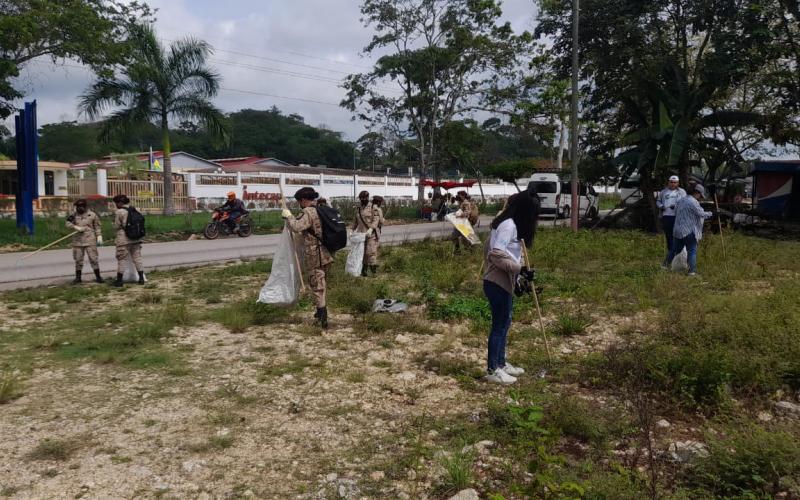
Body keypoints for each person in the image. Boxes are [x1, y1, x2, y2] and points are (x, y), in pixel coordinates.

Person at [482, 191, 538, 384]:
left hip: (505, 282)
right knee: (499, 325)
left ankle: (501, 363)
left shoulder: (509, 224)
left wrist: (520, 273)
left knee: (505, 323)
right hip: (497, 282)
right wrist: (519, 269)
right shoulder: (508, 226)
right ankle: (492, 369)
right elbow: (495, 254)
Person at [282, 187, 333, 328]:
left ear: (304, 200)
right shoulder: (322, 209)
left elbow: (297, 227)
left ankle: (323, 320)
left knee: (317, 287)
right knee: (321, 285)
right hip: (326, 254)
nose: (299, 203)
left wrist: (288, 216)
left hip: (315, 255)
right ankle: (319, 312)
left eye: (299, 201)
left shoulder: (309, 212)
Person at [666, 184, 713, 276]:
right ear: (697, 193)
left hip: (677, 230)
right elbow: (701, 214)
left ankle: (664, 266)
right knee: (692, 251)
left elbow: (675, 210)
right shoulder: (693, 202)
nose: (700, 197)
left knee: (673, 249)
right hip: (688, 231)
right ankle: (692, 271)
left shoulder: (681, 200)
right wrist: (713, 213)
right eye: (700, 195)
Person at [66, 199, 104, 284]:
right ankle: (78, 278)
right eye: (78, 207)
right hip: (78, 241)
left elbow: (97, 226)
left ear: (85, 206)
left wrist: (99, 236)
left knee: (93, 259)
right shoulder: (73, 215)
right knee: (78, 260)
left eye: (81, 206)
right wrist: (75, 227)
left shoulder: (92, 215)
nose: (80, 208)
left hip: (90, 240)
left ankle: (98, 277)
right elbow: (67, 223)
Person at [111, 194, 144, 286]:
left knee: (122, 259)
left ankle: (119, 281)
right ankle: (141, 278)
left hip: (123, 239)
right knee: (137, 258)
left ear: (120, 203)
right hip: (136, 238)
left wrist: (112, 224)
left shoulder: (119, 212)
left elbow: (116, 226)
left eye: (116, 203)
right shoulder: (134, 209)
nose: (115, 205)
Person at [656, 175, 687, 268]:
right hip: (667, 216)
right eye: (671, 182)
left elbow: (685, 202)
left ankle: (677, 256)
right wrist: (661, 206)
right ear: (668, 182)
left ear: (678, 183)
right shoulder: (663, 192)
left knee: (677, 236)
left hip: (678, 217)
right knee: (669, 237)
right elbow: (658, 201)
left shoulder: (682, 192)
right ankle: (671, 254)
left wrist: (677, 206)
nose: (673, 184)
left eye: (675, 182)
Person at [353, 190, 381, 277]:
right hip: (361, 234)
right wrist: (353, 229)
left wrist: (371, 228)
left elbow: (376, 219)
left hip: (371, 234)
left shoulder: (373, 207)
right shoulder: (358, 208)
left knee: (370, 252)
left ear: (367, 198)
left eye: (364, 198)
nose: (362, 200)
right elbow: (356, 220)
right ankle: (363, 271)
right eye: (361, 198)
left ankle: (373, 272)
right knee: (363, 253)